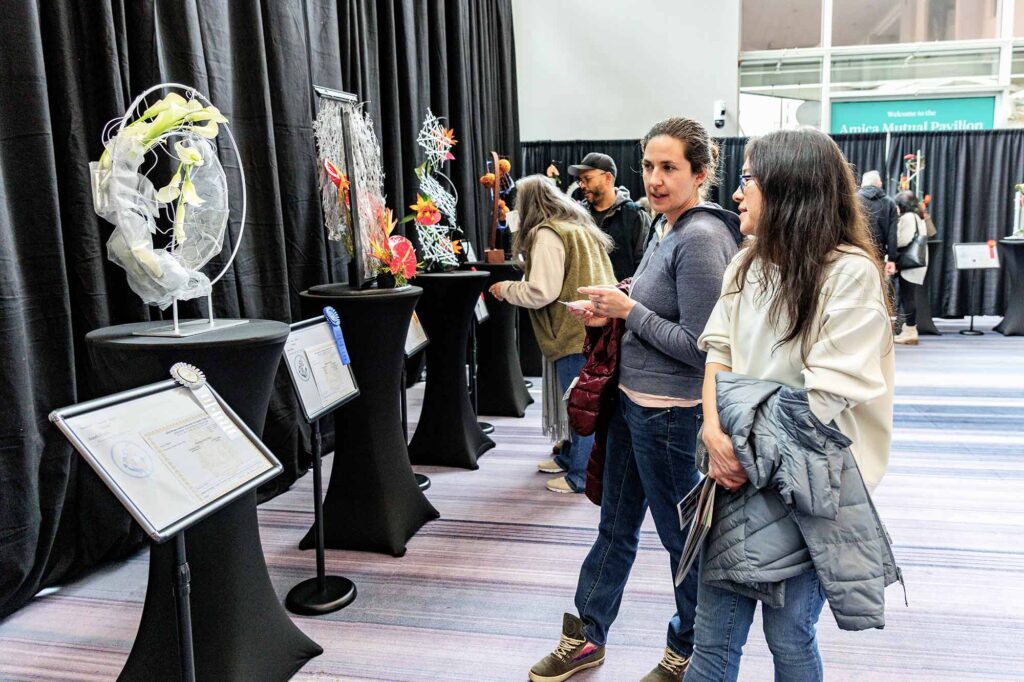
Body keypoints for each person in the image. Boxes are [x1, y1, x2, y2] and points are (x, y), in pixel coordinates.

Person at [528, 117, 742, 682]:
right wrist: (614, 304)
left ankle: (689, 649)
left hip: (670, 416)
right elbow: (657, 303)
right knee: (614, 528)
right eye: (648, 166)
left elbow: (703, 348)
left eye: (669, 167)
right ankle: (587, 636)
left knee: (681, 542)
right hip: (632, 406)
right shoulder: (666, 227)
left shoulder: (700, 238)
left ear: (700, 173)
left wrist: (629, 312)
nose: (655, 178)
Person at [687, 129, 898, 682]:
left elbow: (821, 400)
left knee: (789, 636)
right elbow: (718, 352)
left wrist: (733, 439)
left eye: (748, 179)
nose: (737, 193)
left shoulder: (848, 272)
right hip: (735, 472)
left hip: (810, 485)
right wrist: (712, 432)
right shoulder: (746, 264)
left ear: (789, 187)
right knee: (712, 640)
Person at [490, 175, 617, 494]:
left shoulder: (548, 233)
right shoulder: (578, 226)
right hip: (594, 326)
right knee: (580, 401)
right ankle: (570, 458)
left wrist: (506, 289)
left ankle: (580, 476)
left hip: (574, 330)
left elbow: (541, 291)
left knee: (581, 405)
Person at [569, 152, 653, 281]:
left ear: (608, 178)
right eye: (580, 181)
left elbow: (646, 267)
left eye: (587, 179)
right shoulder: (577, 216)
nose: (583, 185)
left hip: (622, 293)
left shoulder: (635, 216)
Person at [893, 191, 929, 345]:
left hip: (909, 263)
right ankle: (909, 331)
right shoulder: (919, 217)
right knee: (909, 296)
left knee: (907, 297)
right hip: (917, 262)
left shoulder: (908, 218)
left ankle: (910, 331)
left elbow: (903, 240)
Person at [857, 170, 899, 278]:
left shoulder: (853, 200)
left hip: (855, 253)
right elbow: (892, 235)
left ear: (862, 184)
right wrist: (891, 259)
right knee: (876, 285)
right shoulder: (889, 203)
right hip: (878, 256)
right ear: (879, 184)